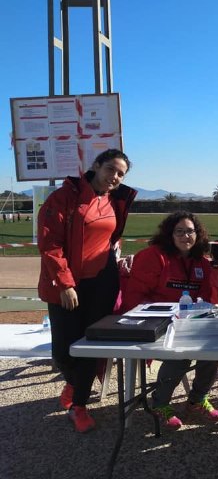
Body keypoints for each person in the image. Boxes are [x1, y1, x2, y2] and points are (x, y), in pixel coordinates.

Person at [37, 149, 136, 433]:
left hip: (102, 282)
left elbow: (110, 239)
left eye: (121, 174)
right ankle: (72, 382)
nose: (115, 177)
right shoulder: (63, 198)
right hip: (66, 284)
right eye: (111, 170)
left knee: (92, 344)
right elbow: (50, 245)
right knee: (64, 352)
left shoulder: (115, 200)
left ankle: (79, 405)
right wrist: (66, 283)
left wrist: (118, 259)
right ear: (96, 166)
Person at [122, 211, 218, 430]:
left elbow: (205, 301)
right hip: (154, 326)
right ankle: (160, 402)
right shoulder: (154, 256)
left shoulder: (201, 264)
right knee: (180, 356)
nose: (186, 236)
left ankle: (196, 399)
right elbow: (134, 299)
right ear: (169, 234)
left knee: (215, 350)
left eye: (190, 231)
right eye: (179, 231)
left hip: (187, 326)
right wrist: (165, 318)